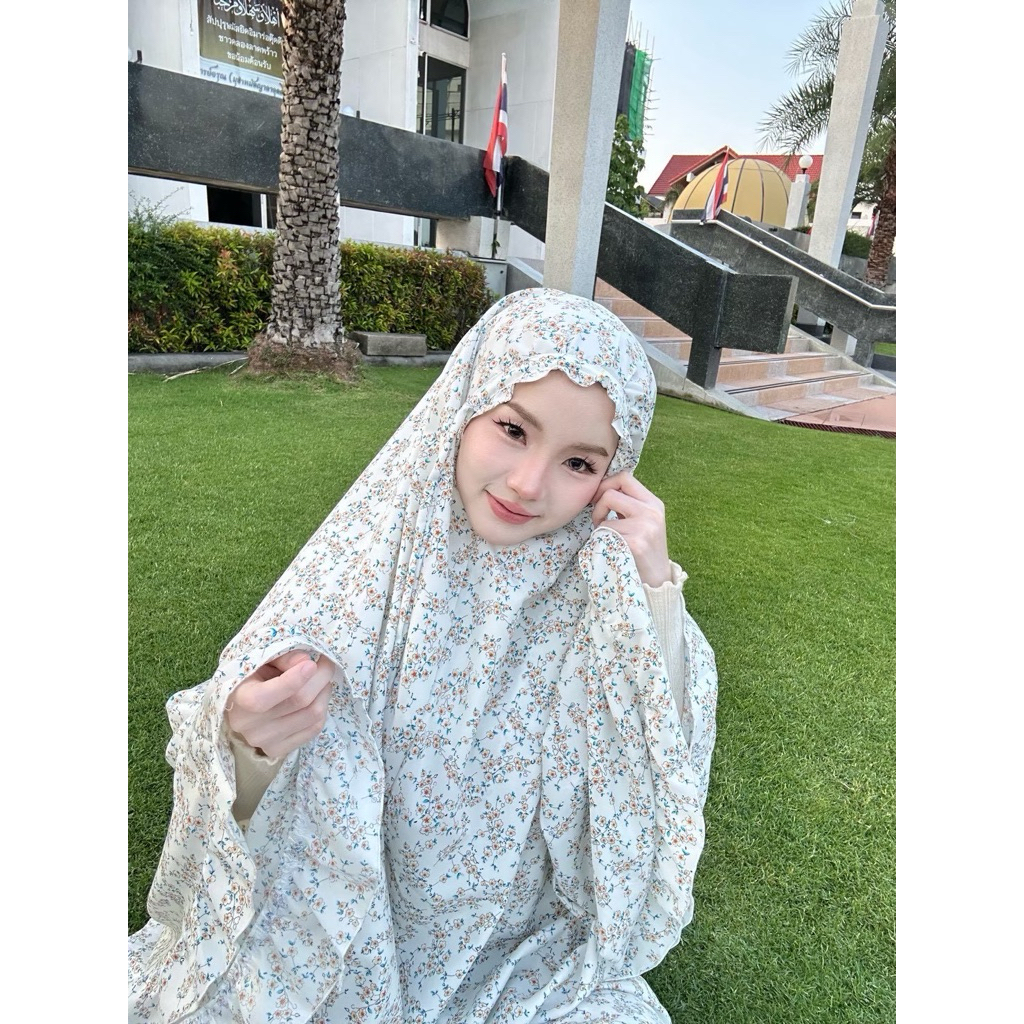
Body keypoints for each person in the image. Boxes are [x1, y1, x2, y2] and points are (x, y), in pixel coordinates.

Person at [129, 287, 718, 1023]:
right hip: (348, 943)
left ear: (613, 475)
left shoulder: (602, 598)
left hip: (516, 957)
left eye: (578, 462)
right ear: (464, 406)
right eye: (512, 428)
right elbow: (238, 807)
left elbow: (654, 787)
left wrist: (655, 593)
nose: (528, 484)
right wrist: (250, 746)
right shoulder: (365, 561)